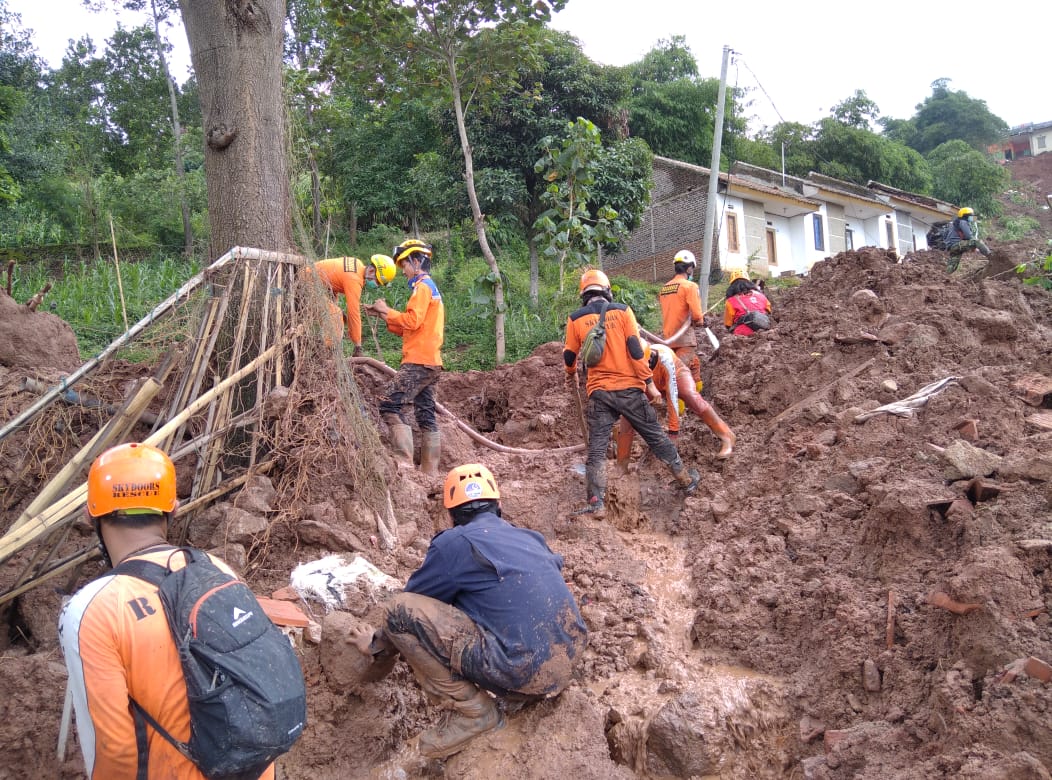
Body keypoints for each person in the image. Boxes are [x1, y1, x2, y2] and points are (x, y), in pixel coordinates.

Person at [57, 443, 275, 779]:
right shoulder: (218, 570)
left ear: (91, 515)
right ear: (171, 510)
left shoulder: (93, 609)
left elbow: (113, 750)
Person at [350, 463, 588, 759]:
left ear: (451, 514)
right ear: (499, 505)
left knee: (396, 610)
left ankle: (473, 712)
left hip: (523, 669)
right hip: (566, 662)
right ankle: (519, 691)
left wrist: (376, 646)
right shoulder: (529, 537)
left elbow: (411, 604)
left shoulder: (453, 543)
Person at [564, 268, 700, 515]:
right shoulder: (623, 311)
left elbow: (570, 355)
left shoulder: (575, 318)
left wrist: (570, 373)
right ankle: (685, 480)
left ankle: (596, 502)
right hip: (629, 389)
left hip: (599, 393)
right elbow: (636, 350)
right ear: (607, 290)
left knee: (596, 447)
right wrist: (648, 383)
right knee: (655, 436)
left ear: (583, 294)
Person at [365, 239, 444, 474]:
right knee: (425, 412)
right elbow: (411, 326)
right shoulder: (429, 287)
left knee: (389, 403)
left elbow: (411, 321)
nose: (403, 271)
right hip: (431, 361)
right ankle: (430, 472)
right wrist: (383, 315)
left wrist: (387, 311)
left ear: (416, 262)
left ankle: (404, 465)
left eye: (405, 265)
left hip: (418, 360)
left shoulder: (422, 287)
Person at [616, 339, 735, 468]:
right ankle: (622, 464)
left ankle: (727, 436)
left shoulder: (664, 358)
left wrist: (673, 432)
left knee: (690, 395)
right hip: (649, 384)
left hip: (676, 373)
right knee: (628, 415)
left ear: (649, 357)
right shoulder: (630, 366)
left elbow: (672, 395)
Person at [301, 254, 397, 355]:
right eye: (377, 281)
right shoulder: (354, 280)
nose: (376, 285)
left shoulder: (358, 265)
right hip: (307, 283)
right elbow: (353, 313)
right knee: (335, 315)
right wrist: (358, 345)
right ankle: (327, 353)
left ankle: (328, 348)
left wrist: (334, 304)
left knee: (336, 313)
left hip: (310, 278)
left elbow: (333, 282)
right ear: (371, 271)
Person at [658, 249, 705, 389]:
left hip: (668, 338)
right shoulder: (690, 286)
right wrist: (701, 321)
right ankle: (682, 407)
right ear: (690, 267)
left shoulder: (664, 288)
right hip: (684, 338)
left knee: (694, 364)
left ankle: (695, 399)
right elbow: (696, 315)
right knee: (679, 375)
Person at [723, 269, 772, 336]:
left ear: (732, 286)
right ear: (749, 282)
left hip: (742, 334)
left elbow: (728, 324)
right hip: (766, 330)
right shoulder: (761, 295)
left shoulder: (731, 301)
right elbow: (769, 311)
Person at [946, 207, 992, 272]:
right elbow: (969, 236)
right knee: (977, 242)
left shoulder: (957, 221)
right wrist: (976, 246)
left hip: (952, 246)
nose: (972, 217)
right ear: (966, 215)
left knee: (952, 265)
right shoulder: (963, 222)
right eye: (971, 215)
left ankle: (946, 275)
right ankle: (991, 256)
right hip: (957, 244)